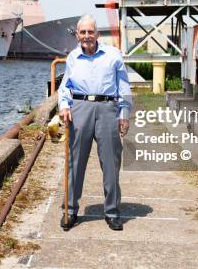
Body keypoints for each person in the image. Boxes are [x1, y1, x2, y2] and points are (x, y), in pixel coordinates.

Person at [57, 14, 132, 231]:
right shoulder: (72, 57)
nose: (87, 36)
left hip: (108, 109)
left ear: (97, 34)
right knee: (75, 162)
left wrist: (124, 114)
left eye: (91, 32)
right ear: (77, 35)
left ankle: (112, 212)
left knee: (110, 163)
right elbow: (65, 87)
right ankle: (70, 210)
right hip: (79, 109)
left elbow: (124, 87)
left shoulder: (113, 55)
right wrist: (63, 106)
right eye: (83, 32)